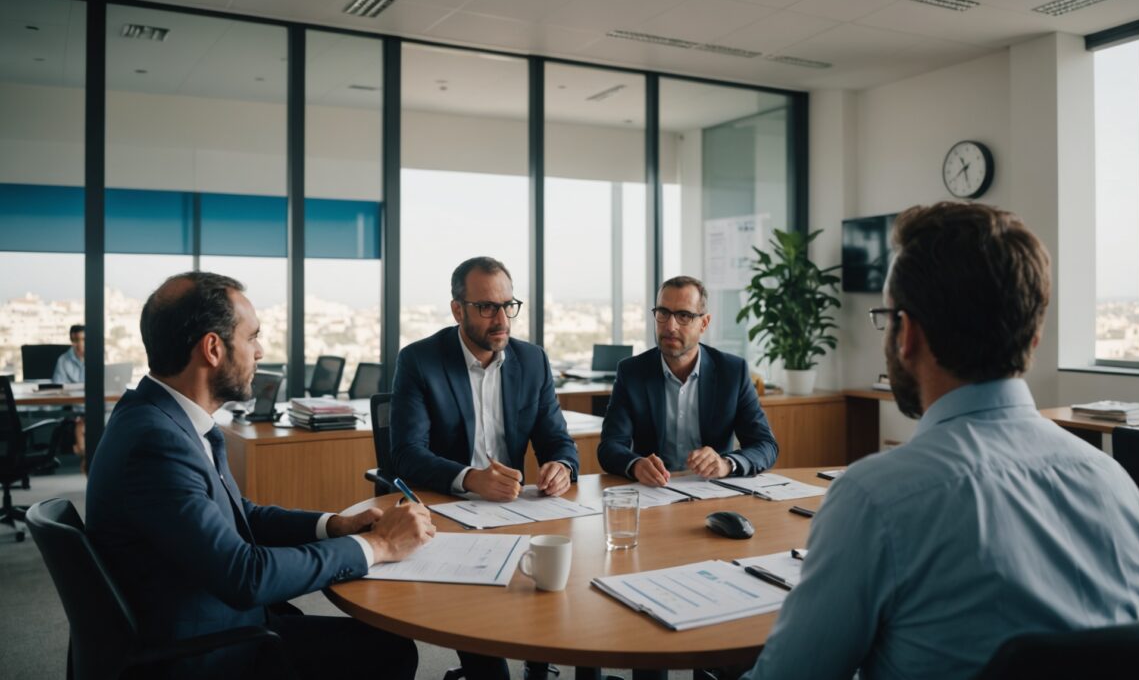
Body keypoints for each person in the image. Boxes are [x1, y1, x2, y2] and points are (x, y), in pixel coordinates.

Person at [744, 202, 1139, 679]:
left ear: (907, 334)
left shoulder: (876, 497)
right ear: (1034, 338)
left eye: (886, 317)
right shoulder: (1116, 484)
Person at [87, 272, 435, 680]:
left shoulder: (164, 420)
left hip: (209, 622)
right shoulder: (155, 443)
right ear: (213, 349)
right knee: (388, 650)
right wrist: (377, 545)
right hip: (203, 654)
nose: (260, 352)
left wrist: (335, 526)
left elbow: (240, 516)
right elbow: (246, 576)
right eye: (252, 338)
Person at [390, 256, 579, 680]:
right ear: (458, 309)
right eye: (487, 307)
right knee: (486, 647)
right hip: (447, 513)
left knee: (572, 589)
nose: (502, 320)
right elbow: (405, 454)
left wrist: (561, 466)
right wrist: (470, 478)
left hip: (518, 511)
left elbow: (558, 441)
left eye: (508, 306)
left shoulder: (532, 361)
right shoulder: (421, 361)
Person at [598, 276, 778, 486]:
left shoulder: (731, 372)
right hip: (654, 492)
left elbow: (765, 445)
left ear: (704, 323)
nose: (670, 326)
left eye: (683, 315)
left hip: (713, 491)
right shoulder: (632, 372)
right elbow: (609, 447)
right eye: (663, 313)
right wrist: (636, 465)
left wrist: (726, 464)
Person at [51, 324, 87, 459]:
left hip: (96, 407)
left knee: (82, 425)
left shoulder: (97, 356)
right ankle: (87, 460)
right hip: (75, 408)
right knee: (80, 425)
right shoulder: (63, 360)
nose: (79, 344)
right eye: (75, 340)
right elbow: (57, 387)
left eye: (83, 339)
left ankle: (82, 453)